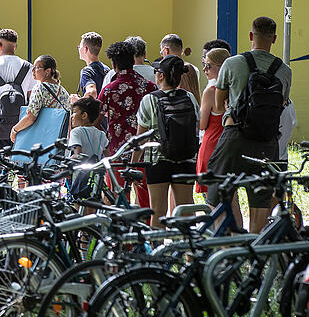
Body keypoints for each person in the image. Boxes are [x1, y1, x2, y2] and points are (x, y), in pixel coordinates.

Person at [207, 16, 292, 233]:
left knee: (217, 192)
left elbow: (218, 106)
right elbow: (281, 104)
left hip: (234, 138)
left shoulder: (232, 63)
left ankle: (228, 250)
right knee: (260, 201)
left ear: (251, 36)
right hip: (267, 142)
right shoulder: (284, 71)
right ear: (274, 38)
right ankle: (255, 254)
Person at [133, 55, 199, 226]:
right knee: (185, 210)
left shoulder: (150, 99)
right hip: (186, 159)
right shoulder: (190, 98)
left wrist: (133, 165)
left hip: (157, 161)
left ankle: (158, 251)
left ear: (161, 76)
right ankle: (189, 252)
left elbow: (141, 138)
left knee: (158, 211)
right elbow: (196, 128)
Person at [98, 40, 158, 206]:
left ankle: (117, 230)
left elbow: (96, 120)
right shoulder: (150, 87)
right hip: (144, 151)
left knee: (116, 197)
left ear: (114, 64)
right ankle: (145, 229)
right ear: (133, 60)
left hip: (117, 151)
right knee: (145, 198)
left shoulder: (109, 89)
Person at [0, 28, 35, 148]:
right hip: (21, 123)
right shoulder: (28, 67)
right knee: (19, 162)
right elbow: (32, 99)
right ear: (15, 46)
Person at [10, 55, 70, 139]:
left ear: (47, 71)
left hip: (43, 136)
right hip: (58, 137)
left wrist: (15, 130)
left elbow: (31, 117)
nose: (33, 70)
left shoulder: (40, 88)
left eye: (36, 68)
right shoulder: (62, 90)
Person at [196, 48, 230, 197]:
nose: (205, 69)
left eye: (208, 65)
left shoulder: (211, 91)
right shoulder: (236, 87)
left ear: (221, 66)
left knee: (211, 200)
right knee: (230, 197)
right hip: (230, 143)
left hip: (212, 144)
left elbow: (202, 124)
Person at [159, 34, 201, 103]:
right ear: (182, 51)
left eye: (161, 53)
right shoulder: (194, 69)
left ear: (166, 50)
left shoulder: (164, 71)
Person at [77, 32, 110, 99]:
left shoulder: (87, 71)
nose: (78, 49)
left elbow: (91, 93)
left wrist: (77, 101)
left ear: (85, 49)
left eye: (79, 47)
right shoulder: (107, 70)